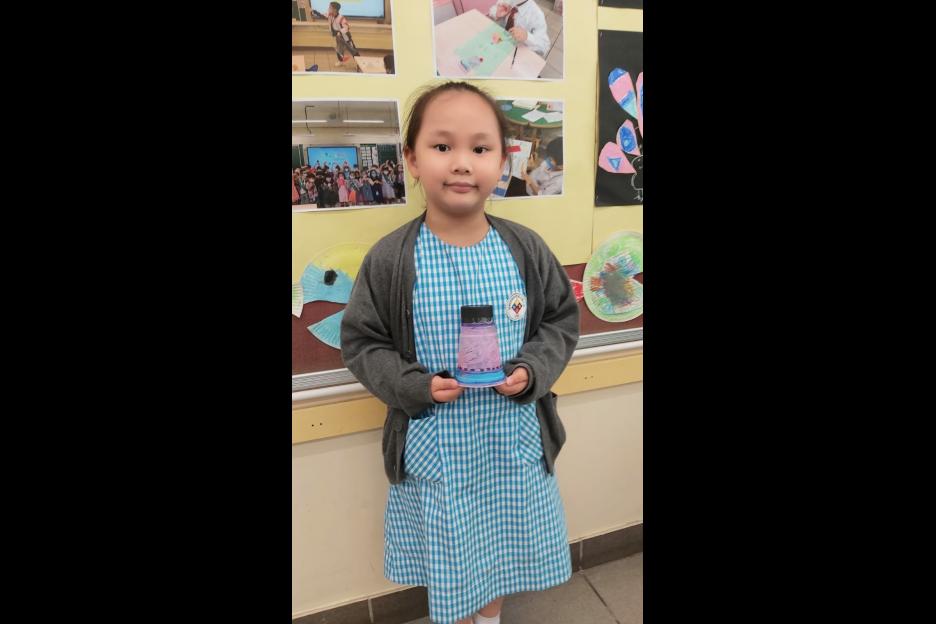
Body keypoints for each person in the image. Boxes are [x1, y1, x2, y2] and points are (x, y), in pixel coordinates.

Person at [341, 81, 578, 624]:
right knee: (453, 552)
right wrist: (413, 386)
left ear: (503, 160)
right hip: (438, 448)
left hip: (511, 445)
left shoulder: (525, 249)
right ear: (412, 159)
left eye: (480, 147)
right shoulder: (392, 259)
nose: (462, 163)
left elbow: (560, 323)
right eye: (442, 146)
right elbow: (362, 341)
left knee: (502, 549)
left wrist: (531, 370)